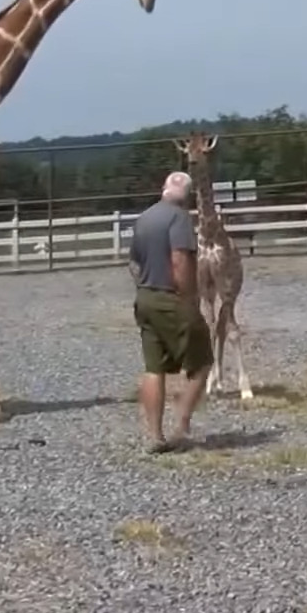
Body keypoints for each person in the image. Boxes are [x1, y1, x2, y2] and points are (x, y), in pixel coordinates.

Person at [126, 170, 214, 452]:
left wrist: (145, 288)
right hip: (171, 298)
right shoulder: (179, 219)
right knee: (203, 361)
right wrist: (189, 297)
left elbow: (133, 264)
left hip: (145, 298)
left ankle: (154, 435)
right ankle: (182, 425)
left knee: (154, 369)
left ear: (163, 187)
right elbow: (179, 260)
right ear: (186, 196)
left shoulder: (145, 218)